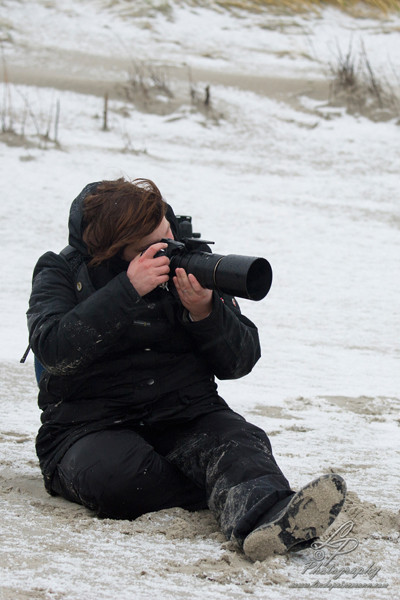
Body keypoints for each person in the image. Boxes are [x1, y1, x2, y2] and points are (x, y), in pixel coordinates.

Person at [27, 177, 346, 561]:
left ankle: (268, 518)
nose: (170, 248)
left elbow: (240, 361)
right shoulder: (61, 270)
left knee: (239, 442)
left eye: (168, 233)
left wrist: (206, 313)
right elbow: (55, 351)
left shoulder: (192, 263)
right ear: (116, 252)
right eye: (153, 247)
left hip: (186, 411)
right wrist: (127, 290)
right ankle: (220, 485)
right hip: (88, 424)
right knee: (120, 480)